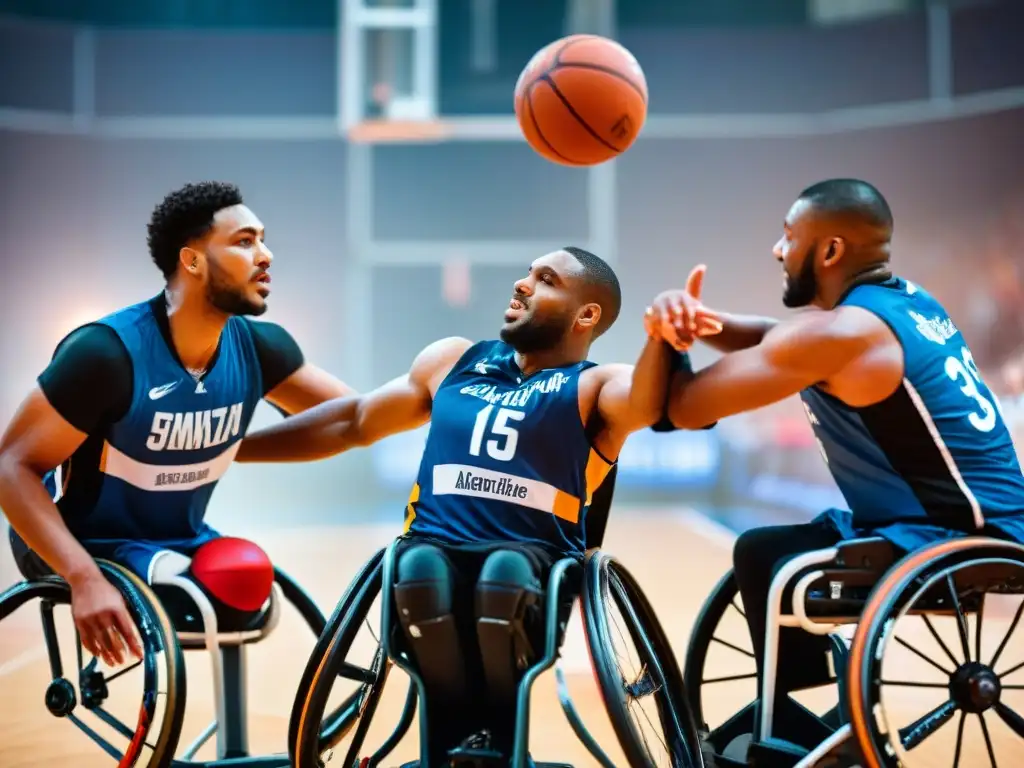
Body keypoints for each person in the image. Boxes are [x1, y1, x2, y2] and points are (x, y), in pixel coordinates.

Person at [235, 247, 719, 761]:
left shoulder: (595, 385)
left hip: (533, 566)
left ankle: (496, 740)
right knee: (419, 566)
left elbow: (645, 401)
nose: (522, 284)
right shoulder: (453, 361)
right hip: (432, 545)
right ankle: (452, 741)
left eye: (546, 279)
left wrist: (664, 342)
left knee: (503, 573)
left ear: (587, 314)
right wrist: (233, 450)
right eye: (528, 273)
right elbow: (351, 421)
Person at [648, 178, 1024, 746]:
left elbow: (680, 408)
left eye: (789, 236)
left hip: (953, 536)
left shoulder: (841, 336)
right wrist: (707, 323)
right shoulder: (903, 302)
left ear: (829, 251)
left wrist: (668, 335)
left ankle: (804, 735)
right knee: (763, 551)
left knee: (778, 566)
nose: (778, 250)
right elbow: (780, 339)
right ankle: (803, 727)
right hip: (989, 519)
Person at [0, 181, 355, 668]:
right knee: (208, 590)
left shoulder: (260, 346)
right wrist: (84, 577)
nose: (266, 254)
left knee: (245, 575)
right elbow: (10, 466)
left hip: (174, 536)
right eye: (245, 241)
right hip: (78, 539)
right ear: (191, 261)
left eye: (263, 239)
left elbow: (347, 421)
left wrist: (442, 391)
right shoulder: (105, 354)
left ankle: (235, 745)